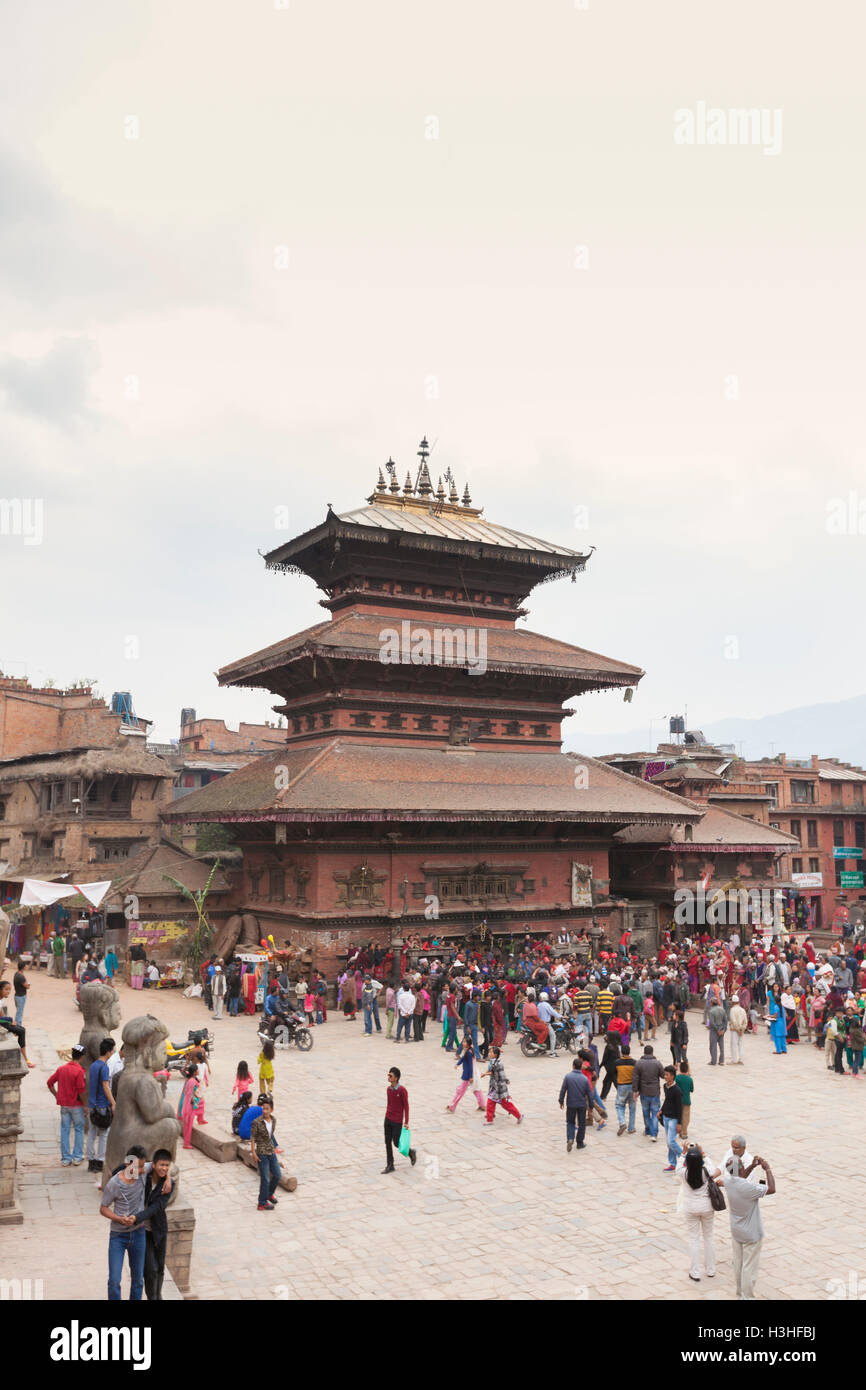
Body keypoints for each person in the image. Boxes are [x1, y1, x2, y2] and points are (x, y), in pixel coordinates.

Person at [721, 1152, 775, 1300]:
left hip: (737, 1230)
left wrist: (752, 1166)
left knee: (738, 1264)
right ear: (740, 1168)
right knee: (749, 1267)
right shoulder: (747, 1187)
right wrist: (767, 1169)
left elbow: (741, 1177)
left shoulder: (728, 1181)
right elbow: (771, 1189)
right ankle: (747, 1297)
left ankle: (740, 1294)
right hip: (751, 1232)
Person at [99, 1144, 151, 1300]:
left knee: (138, 1280)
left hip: (139, 1233)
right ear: (128, 1163)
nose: (140, 1171)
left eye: (142, 1167)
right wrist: (119, 1218)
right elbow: (103, 1208)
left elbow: (159, 1165)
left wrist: (167, 1178)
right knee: (114, 1280)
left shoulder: (143, 1171)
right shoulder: (114, 1184)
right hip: (118, 1236)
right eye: (137, 1167)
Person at [131, 1149, 174, 1300]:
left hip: (159, 1230)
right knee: (150, 1270)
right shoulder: (144, 1177)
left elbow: (157, 1207)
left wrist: (137, 1217)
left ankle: (157, 1296)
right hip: (143, 1232)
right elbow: (121, 1169)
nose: (164, 1168)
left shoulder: (169, 1185)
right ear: (153, 1164)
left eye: (167, 1166)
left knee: (160, 1268)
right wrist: (148, 1166)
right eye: (161, 1165)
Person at [676, 1144, 721, 1283]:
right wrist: (704, 1154)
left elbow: (678, 1168)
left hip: (691, 1209)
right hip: (707, 1207)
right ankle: (711, 1270)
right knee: (709, 1237)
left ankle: (695, 1272)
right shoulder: (706, 1170)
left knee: (693, 1239)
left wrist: (683, 1153)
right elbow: (713, 1169)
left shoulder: (684, 1173)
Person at [47, 1043, 88, 1165]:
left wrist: (56, 1094)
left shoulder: (61, 1069)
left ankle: (65, 1158)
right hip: (76, 1105)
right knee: (79, 1129)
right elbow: (81, 1090)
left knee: (64, 1130)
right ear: (82, 1057)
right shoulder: (79, 1071)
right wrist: (85, 1105)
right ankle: (77, 1157)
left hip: (64, 1105)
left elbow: (49, 1083)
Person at [87, 1037, 116, 1171]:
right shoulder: (104, 1067)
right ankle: (100, 1160)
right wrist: (113, 1102)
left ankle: (91, 1160)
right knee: (104, 1134)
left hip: (92, 1104)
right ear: (109, 1052)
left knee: (92, 1134)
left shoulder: (93, 1066)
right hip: (102, 1105)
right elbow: (105, 1086)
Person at [250, 1096, 283, 1210]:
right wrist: (253, 1152)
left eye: (267, 1109)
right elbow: (253, 1137)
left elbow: (271, 1135)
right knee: (265, 1178)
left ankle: (269, 1194)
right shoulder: (257, 1122)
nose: (264, 1111)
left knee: (277, 1175)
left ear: (271, 1110)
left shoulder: (273, 1120)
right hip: (261, 1153)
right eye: (263, 1108)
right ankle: (262, 1202)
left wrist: (275, 1147)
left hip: (271, 1151)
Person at [382, 1066, 416, 1173]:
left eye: (390, 1075)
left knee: (396, 1143)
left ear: (396, 1078)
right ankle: (390, 1165)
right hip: (388, 1119)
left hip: (397, 1121)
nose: (388, 1077)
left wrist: (406, 1122)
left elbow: (406, 1106)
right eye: (388, 1075)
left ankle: (411, 1152)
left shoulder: (402, 1090)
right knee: (387, 1142)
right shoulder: (388, 1089)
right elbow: (389, 1103)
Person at [559, 1057, 592, 1151]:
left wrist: (561, 1101)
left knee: (570, 1122)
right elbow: (589, 1093)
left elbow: (563, 1090)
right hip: (582, 1104)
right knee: (582, 1123)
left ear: (573, 1066)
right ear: (581, 1067)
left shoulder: (568, 1077)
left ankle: (570, 1138)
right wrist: (591, 1106)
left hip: (571, 1104)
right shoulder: (585, 1079)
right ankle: (580, 1143)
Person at [483, 1045, 522, 1126]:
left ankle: (519, 1116)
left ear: (496, 1054)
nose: (489, 1053)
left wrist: (485, 1074)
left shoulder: (498, 1064)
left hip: (499, 1087)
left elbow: (495, 1073)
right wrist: (486, 1073)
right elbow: (490, 1070)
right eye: (489, 1052)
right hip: (494, 1086)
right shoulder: (492, 1061)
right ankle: (489, 1119)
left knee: (506, 1105)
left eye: (491, 1052)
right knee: (490, 1103)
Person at [633, 1044, 664, 1141]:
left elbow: (635, 1078)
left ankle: (647, 1129)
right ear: (652, 1052)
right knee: (655, 1113)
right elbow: (663, 1075)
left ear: (644, 1052)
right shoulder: (657, 1063)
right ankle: (654, 1134)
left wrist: (635, 1090)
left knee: (645, 1112)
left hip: (644, 1092)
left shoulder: (638, 1063)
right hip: (655, 1092)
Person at [447, 1034, 486, 1113]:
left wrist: (470, 1077)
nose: (463, 1043)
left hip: (468, 1075)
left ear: (468, 1043)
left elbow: (470, 1065)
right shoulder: (468, 1051)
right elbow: (462, 1059)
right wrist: (457, 1064)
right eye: (463, 1041)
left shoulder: (468, 1052)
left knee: (460, 1092)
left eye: (464, 1042)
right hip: (472, 1074)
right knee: (476, 1089)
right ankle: (482, 1105)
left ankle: (452, 1106)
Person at [660, 1065, 683, 1171]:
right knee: (668, 1142)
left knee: (671, 1141)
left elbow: (679, 1107)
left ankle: (684, 1157)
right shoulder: (665, 1086)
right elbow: (667, 1100)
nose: (665, 1076)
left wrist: (679, 1123)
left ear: (672, 1076)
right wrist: (661, 1110)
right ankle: (673, 1163)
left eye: (667, 1075)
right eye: (664, 1074)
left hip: (674, 1119)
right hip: (666, 1117)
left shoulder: (677, 1091)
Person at [613, 1044, 637, 1135]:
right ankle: (631, 1128)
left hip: (622, 1085)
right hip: (632, 1086)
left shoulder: (617, 1062)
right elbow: (636, 1076)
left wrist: (617, 1084)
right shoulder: (635, 1062)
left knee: (619, 1105)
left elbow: (614, 1074)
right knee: (632, 1107)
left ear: (621, 1052)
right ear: (629, 1051)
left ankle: (622, 1123)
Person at [537, 991, 562, 1058]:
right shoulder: (546, 1005)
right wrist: (560, 1016)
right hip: (546, 1024)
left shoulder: (539, 1004)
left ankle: (542, 1050)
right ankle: (552, 1053)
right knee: (553, 1036)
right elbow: (553, 1012)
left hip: (540, 1023)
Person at [675, 1060, 694, 1141]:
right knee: (685, 1117)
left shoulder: (677, 1078)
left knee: (677, 1115)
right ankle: (684, 1133)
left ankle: (677, 1130)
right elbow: (691, 1089)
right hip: (686, 1100)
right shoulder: (689, 1079)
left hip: (677, 1100)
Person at [707, 996, 727, 1065]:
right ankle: (721, 1061)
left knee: (713, 1046)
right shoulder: (722, 1010)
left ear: (712, 1003)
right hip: (721, 1029)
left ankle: (714, 1061)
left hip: (714, 1030)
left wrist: (717, 1030)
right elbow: (725, 1021)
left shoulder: (711, 1011)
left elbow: (712, 1023)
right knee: (721, 1046)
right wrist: (723, 1029)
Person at [768, 986, 788, 1055]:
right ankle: (784, 1049)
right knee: (783, 1037)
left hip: (777, 1023)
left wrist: (769, 1016)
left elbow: (775, 1015)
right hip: (782, 1022)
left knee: (777, 1037)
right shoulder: (782, 1006)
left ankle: (778, 1050)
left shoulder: (776, 1006)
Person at [728, 997, 748, 1064]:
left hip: (734, 1030)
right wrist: (742, 1029)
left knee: (734, 1044)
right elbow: (745, 1021)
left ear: (733, 1002)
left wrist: (738, 1030)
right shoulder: (742, 1010)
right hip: (741, 1030)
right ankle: (741, 1059)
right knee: (740, 1044)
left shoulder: (732, 1010)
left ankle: (734, 1060)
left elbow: (734, 1021)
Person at [12, 960, 29, 1025]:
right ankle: (17, 1027)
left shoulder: (16, 974)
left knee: (19, 1012)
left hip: (17, 995)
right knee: (19, 1013)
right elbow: (27, 986)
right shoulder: (21, 976)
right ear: (24, 967)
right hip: (21, 997)